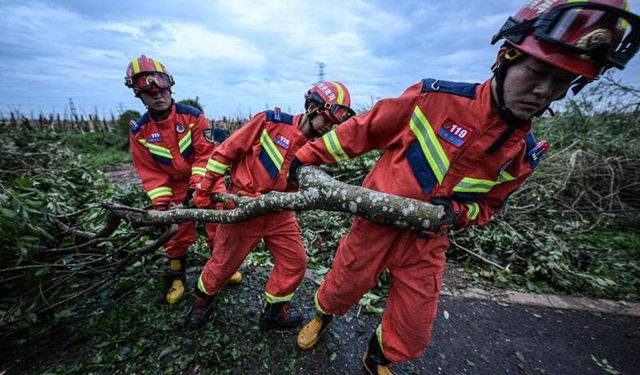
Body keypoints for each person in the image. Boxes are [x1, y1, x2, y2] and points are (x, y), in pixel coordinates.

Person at [288, 1, 640, 374]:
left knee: (414, 324)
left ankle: (376, 359)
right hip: (374, 224)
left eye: (560, 83)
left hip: (428, 241)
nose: (543, 91)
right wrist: (306, 159)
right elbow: (361, 131)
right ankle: (323, 317)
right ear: (507, 56)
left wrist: (454, 215)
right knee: (343, 284)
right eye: (537, 71)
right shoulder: (435, 99)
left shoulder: (524, 154)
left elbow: (490, 206)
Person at [188, 81, 356, 329]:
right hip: (243, 207)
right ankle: (202, 301)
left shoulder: (319, 147)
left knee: (295, 262)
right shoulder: (269, 122)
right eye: (328, 121)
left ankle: (274, 313)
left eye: (334, 125)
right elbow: (225, 151)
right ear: (312, 108)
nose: (329, 128)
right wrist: (205, 187)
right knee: (223, 264)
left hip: (280, 213)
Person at [125, 55, 242, 305]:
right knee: (176, 234)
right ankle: (176, 277)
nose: (158, 96)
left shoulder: (193, 117)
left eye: (162, 89)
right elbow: (150, 173)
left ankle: (223, 269)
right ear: (139, 95)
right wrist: (163, 205)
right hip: (174, 186)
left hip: (209, 178)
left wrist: (197, 189)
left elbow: (206, 155)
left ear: (170, 87)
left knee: (219, 225)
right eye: (150, 92)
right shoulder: (140, 132)